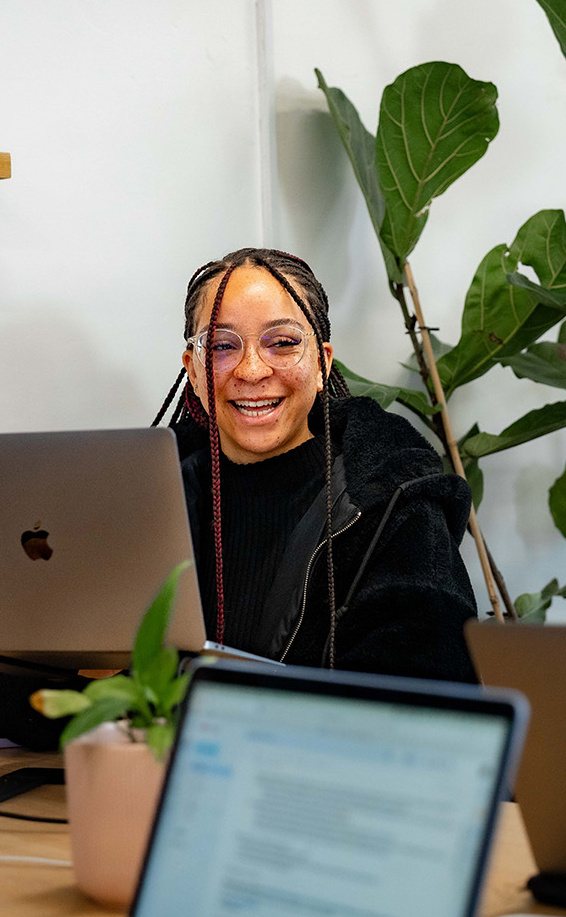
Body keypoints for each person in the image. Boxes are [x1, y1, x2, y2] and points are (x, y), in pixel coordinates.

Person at [153, 248, 478, 681]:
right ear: (192, 371)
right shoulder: (149, 497)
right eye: (221, 345)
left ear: (323, 363)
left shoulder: (391, 505)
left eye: (283, 343)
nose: (251, 371)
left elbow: (428, 694)